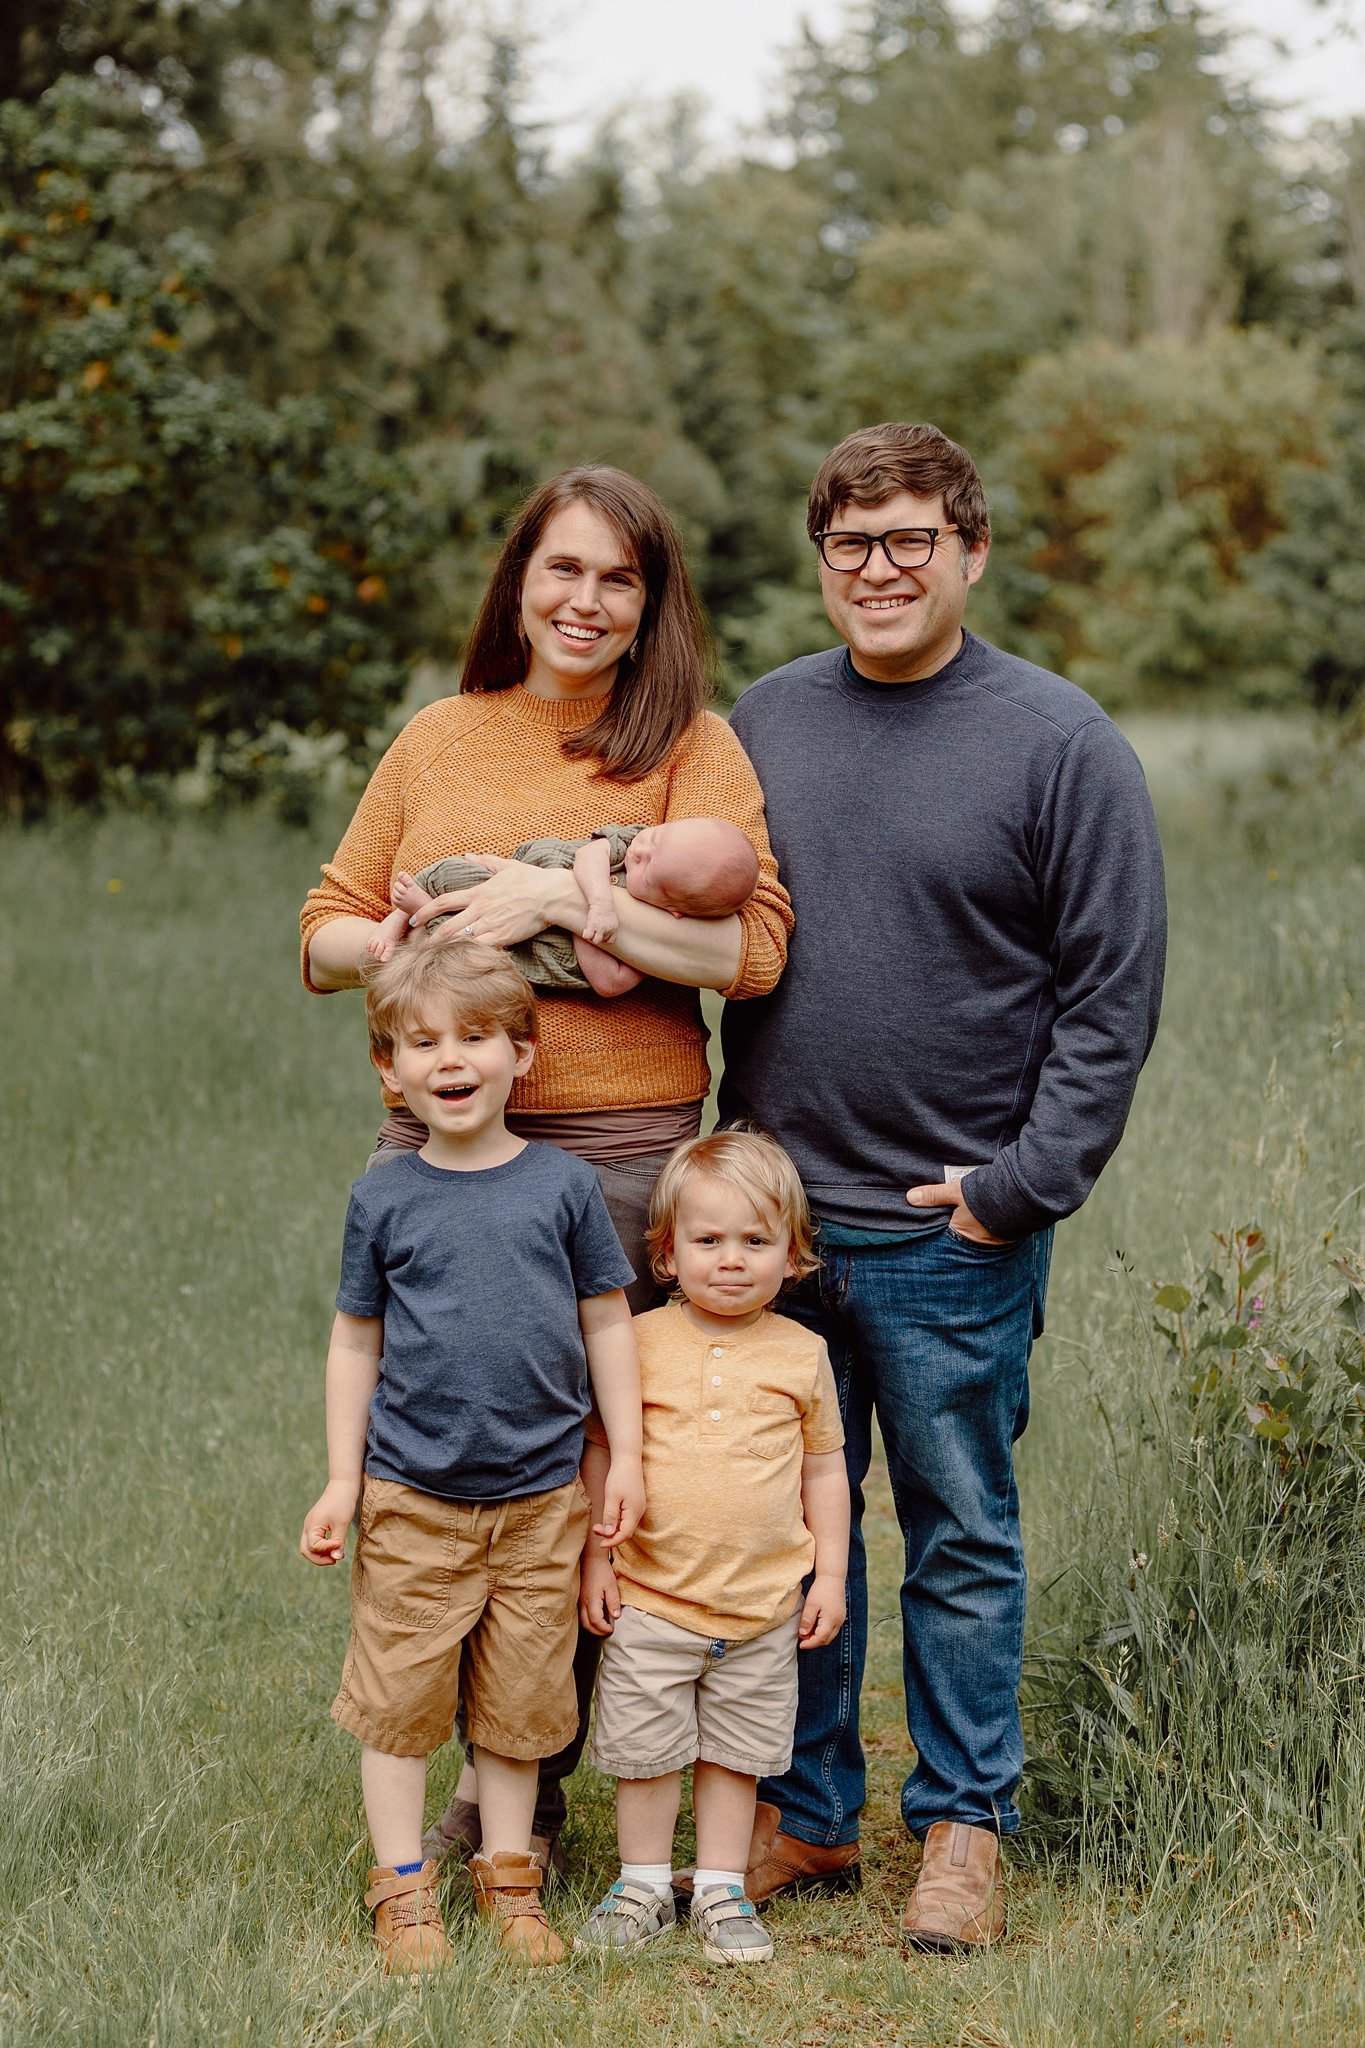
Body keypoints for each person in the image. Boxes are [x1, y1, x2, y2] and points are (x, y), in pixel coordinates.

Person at [300, 464, 793, 1869]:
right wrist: (386, 949)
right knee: (447, 1456)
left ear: (652, 606)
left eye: (617, 579)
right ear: (520, 579)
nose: (585, 601)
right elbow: (324, 926)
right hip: (444, 1153)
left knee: (588, 1474)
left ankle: (554, 1764)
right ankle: (476, 1773)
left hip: (623, 1156)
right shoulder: (441, 737)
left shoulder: (689, 747)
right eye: (561, 569)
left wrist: (570, 903)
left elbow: (752, 949)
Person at [718, 422, 1167, 1949]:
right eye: (851, 542)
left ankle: (964, 1827)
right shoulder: (762, 723)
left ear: (971, 550)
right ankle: (808, 1813)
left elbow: (1110, 996)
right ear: (822, 560)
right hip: (769, 1227)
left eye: (913, 539)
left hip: (944, 1228)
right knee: (788, 1524)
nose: (881, 569)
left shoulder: (1059, 744)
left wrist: (1018, 1188)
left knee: (957, 1529)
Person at [298, 936, 644, 1971]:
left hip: (543, 1501)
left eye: (477, 1036)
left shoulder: (565, 1186)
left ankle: (510, 1880)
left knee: (522, 1704)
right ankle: (403, 1889)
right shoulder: (388, 1197)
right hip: (415, 1498)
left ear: (522, 1054)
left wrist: (622, 1454)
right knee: (401, 1701)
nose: (451, 1059)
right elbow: (356, 1338)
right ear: (388, 1068)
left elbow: (609, 1324)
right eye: (423, 1041)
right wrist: (341, 1478)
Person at [573, 1130, 850, 1966]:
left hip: (760, 1607)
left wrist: (828, 1575)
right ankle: (644, 1883)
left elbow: (826, 1472)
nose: (731, 1261)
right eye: (707, 1240)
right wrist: (595, 1559)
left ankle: (723, 1887)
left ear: (793, 1255)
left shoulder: (803, 1355)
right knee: (647, 1750)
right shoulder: (639, 1342)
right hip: (653, 1597)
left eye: (756, 1242)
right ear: (665, 1252)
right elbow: (599, 1450)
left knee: (735, 1754)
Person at [364, 816, 760, 999]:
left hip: (539, 953)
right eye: (656, 836)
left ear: (674, 909)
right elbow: (592, 852)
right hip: (524, 875)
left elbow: (610, 983)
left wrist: (569, 911)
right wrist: (598, 902)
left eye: (648, 866)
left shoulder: (663, 939)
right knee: (461, 875)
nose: (640, 849)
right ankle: (402, 914)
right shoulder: (635, 844)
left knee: (476, 962)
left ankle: (421, 915)